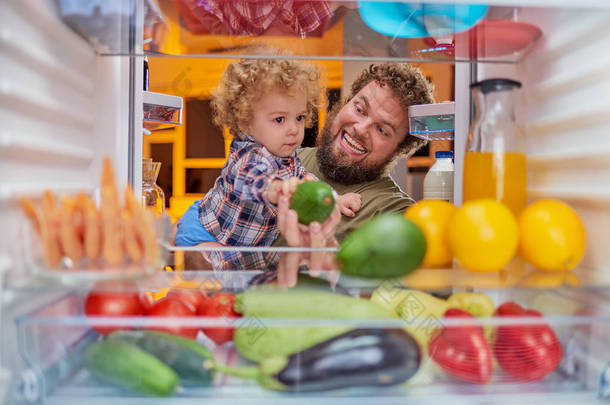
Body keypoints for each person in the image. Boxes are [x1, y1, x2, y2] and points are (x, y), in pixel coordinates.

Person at [174, 53, 361, 259]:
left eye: (299, 117)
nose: (293, 129)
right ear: (246, 122)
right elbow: (249, 179)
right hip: (203, 232)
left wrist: (334, 198)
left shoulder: (286, 157)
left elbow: (306, 181)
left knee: (244, 273)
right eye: (279, 119)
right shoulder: (247, 153)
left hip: (239, 245)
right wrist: (277, 188)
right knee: (222, 268)